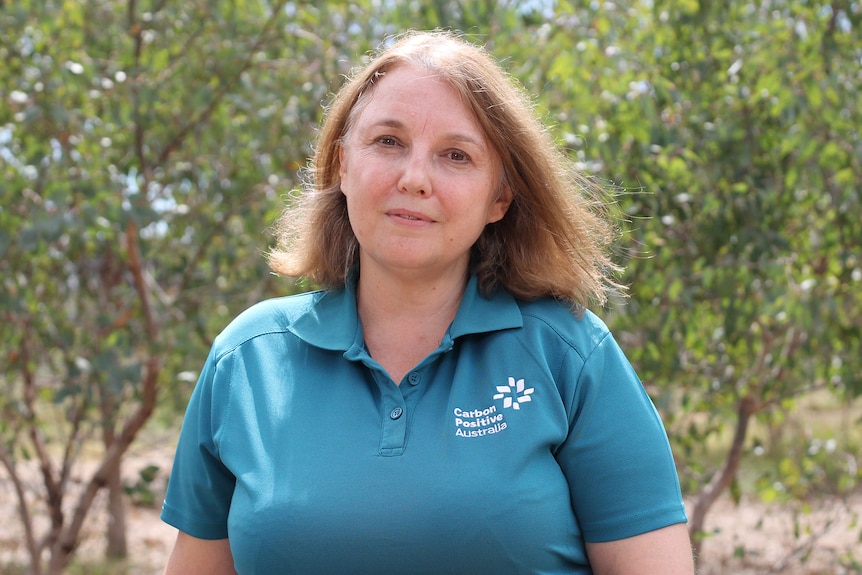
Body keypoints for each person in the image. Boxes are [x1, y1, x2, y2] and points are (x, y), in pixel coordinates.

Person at [161, 29, 694, 575]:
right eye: (388, 141)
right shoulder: (247, 361)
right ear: (343, 165)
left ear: (500, 197)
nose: (414, 178)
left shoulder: (570, 357)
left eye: (456, 155)